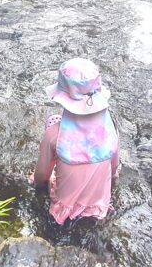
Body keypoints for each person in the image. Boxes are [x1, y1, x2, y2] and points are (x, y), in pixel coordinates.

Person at [30, 58, 119, 225]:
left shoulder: (54, 134)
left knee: (53, 122)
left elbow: (41, 176)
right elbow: (114, 167)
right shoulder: (109, 128)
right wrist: (113, 178)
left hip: (65, 209)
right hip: (99, 206)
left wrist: (40, 182)